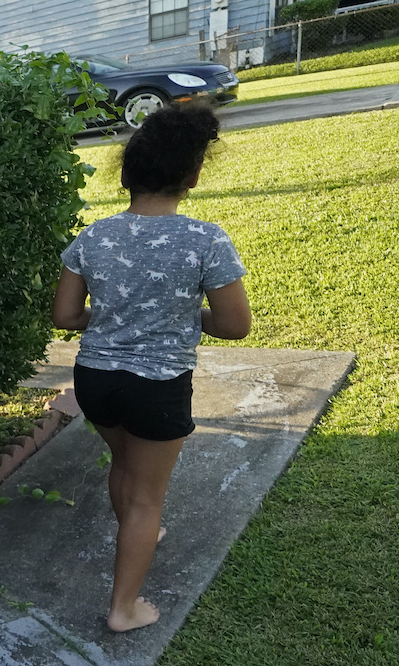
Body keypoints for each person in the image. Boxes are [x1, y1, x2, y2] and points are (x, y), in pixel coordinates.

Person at [51, 103, 252, 633]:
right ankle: (124, 610)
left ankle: (140, 532)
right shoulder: (206, 239)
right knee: (147, 499)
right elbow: (234, 325)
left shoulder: (93, 236)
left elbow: (66, 316)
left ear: (128, 173)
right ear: (192, 175)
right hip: (157, 387)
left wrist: (117, 315)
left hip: (95, 381)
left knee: (123, 463)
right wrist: (179, 314)